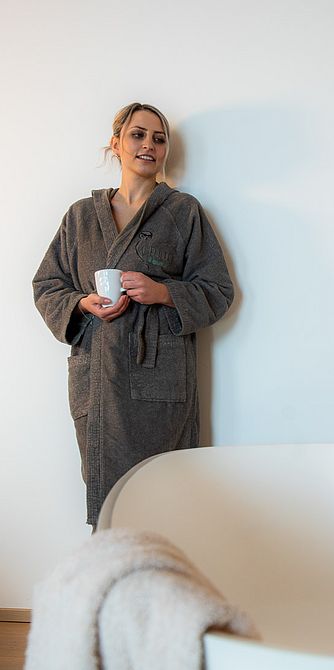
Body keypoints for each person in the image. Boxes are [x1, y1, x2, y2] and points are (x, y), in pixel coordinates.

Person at [33, 102, 234, 528]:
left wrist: (162, 291)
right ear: (116, 143)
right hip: (98, 379)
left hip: (160, 381)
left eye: (159, 139)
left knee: (166, 500)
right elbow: (47, 285)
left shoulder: (183, 213)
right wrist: (80, 304)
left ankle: (165, 589)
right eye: (138, 135)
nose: (149, 145)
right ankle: (114, 588)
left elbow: (217, 290)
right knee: (108, 505)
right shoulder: (80, 217)